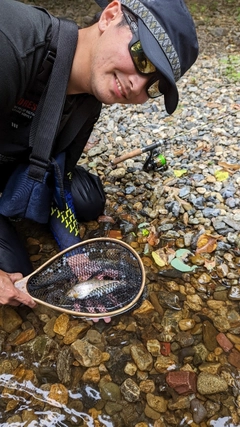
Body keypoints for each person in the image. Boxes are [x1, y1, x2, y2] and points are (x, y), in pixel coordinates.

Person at [0, 0, 198, 307]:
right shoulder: (11, 45)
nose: (138, 85)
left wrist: (74, 255)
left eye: (155, 85)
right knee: (11, 272)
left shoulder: (88, 103)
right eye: (143, 59)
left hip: (11, 163)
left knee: (88, 200)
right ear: (110, 15)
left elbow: (58, 175)